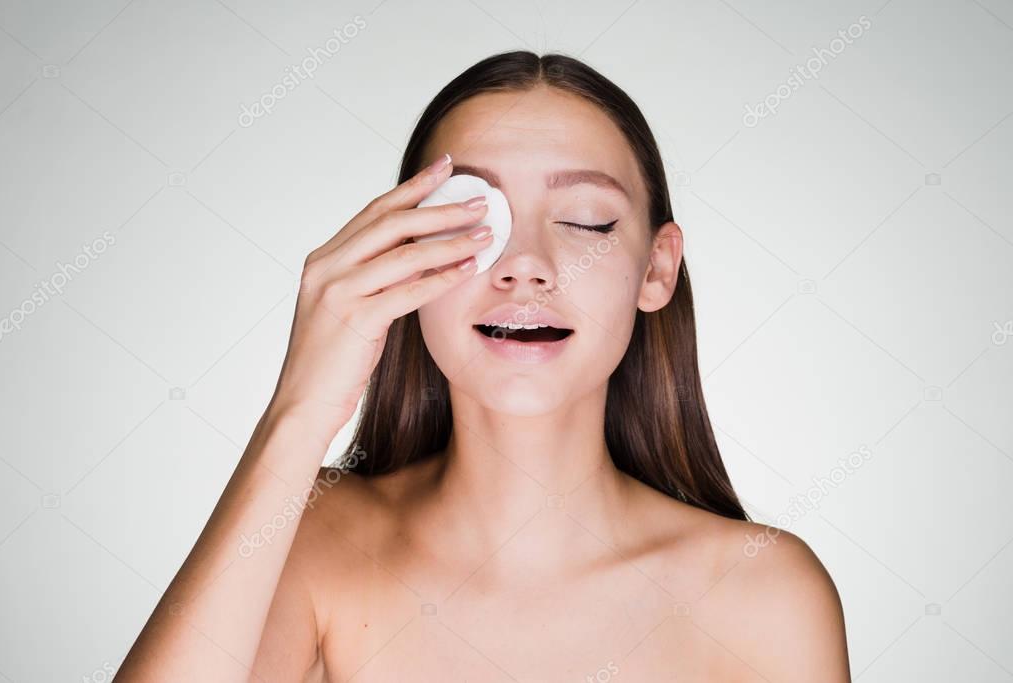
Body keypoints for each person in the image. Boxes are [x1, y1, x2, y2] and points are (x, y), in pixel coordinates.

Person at [116, 50, 851, 682]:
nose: (525, 265)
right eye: (474, 218)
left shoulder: (766, 593)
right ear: (405, 252)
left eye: (586, 221)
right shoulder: (315, 539)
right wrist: (299, 411)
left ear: (657, 269)